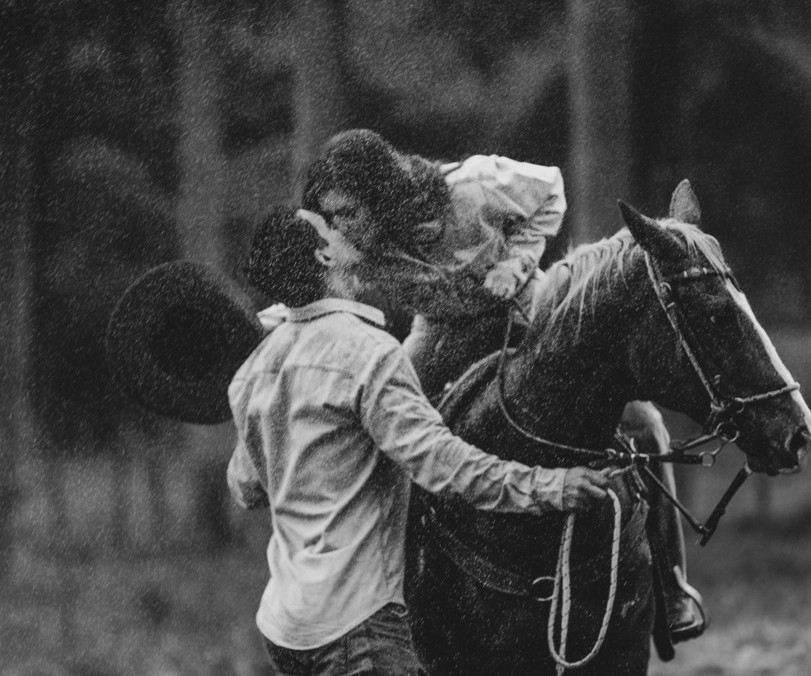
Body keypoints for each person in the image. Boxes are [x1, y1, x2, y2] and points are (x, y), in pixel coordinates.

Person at [300, 129, 708, 647]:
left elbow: (550, 190)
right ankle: (394, 600)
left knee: (644, 424)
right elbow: (315, 291)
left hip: (524, 310)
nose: (338, 229)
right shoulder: (351, 245)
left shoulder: (471, 187)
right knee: (389, 436)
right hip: (439, 333)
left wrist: (516, 262)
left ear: (380, 194)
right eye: (329, 217)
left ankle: (670, 587)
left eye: (346, 212)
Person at [228, 205, 618, 676]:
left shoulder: (254, 368)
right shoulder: (369, 355)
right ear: (324, 257)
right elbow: (446, 467)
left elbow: (246, 487)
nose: (344, 227)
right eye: (330, 227)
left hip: (286, 631)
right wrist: (552, 488)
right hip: (358, 631)